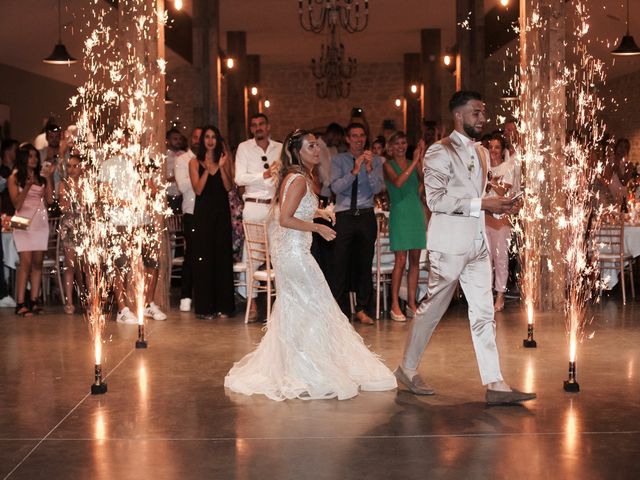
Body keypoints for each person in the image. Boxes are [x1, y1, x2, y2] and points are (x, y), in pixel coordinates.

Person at [224, 129, 397, 401]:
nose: (318, 150)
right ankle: (306, 368)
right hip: (294, 255)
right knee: (316, 305)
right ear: (297, 151)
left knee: (304, 308)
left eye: (318, 146)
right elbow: (285, 218)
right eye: (312, 146)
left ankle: (301, 363)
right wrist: (317, 226)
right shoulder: (298, 180)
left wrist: (319, 211)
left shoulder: (301, 177)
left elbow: (297, 209)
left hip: (294, 252)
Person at [395, 91, 536, 405]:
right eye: (476, 113)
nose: (482, 119)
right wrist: (483, 203)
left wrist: (499, 208)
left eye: (483, 112)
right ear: (458, 116)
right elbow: (436, 199)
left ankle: (495, 384)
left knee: (484, 314)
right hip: (448, 246)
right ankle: (406, 369)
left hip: (478, 244)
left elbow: (480, 194)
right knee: (431, 311)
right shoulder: (438, 151)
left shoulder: (484, 152)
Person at [329, 123, 384, 325]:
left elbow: (378, 188)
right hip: (344, 215)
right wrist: (355, 170)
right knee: (340, 263)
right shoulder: (338, 160)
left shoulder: (375, 161)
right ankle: (340, 309)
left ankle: (361, 308)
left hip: (365, 215)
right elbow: (336, 186)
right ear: (347, 139)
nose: (359, 139)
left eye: (362, 136)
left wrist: (369, 169)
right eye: (354, 136)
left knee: (364, 264)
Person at [234, 113, 282, 321]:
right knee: (251, 255)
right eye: (254, 125)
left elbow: (282, 176)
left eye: (261, 123)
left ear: (268, 126)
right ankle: (251, 303)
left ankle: (282, 303)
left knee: (280, 253)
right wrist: (262, 177)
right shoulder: (244, 148)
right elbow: (239, 178)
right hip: (253, 206)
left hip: (275, 207)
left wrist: (270, 180)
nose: (258, 127)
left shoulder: (279, 148)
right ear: (251, 129)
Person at [189, 125, 235, 318]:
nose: (210, 140)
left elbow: (228, 186)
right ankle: (205, 308)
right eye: (206, 137)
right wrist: (207, 169)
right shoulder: (194, 162)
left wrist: (221, 166)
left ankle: (224, 306)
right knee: (204, 258)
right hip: (203, 214)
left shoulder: (224, 159)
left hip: (221, 213)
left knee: (222, 257)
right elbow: (198, 190)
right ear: (202, 141)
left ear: (217, 140)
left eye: (213, 137)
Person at [383, 131, 426, 322]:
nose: (401, 146)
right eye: (397, 143)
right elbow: (399, 182)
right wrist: (415, 161)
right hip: (400, 213)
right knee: (400, 260)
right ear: (391, 147)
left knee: (415, 260)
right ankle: (394, 304)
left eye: (404, 142)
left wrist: (420, 159)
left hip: (415, 211)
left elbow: (424, 182)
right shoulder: (387, 165)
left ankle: (411, 303)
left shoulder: (413, 163)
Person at [8, 144, 54, 316]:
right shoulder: (14, 178)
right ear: (23, 158)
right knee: (25, 263)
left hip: (40, 223)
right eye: (30, 156)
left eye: (35, 156)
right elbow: (16, 204)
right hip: (21, 221)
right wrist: (27, 186)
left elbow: (49, 200)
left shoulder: (41, 177)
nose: (34, 159)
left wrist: (48, 178)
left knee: (37, 263)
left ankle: (34, 301)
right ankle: (20, 303)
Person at [485, 133, 516, 312]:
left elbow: (503, 191)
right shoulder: (485, 168)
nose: (493, 151)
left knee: (501, 259)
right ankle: (486, 294)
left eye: (497, 147)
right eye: (490, 147)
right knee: (486, 260)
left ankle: (500, 295)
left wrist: (490, 184)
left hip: (502, 220)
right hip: (486, 218)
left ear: (502, 149)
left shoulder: (507, 168)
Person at [174, 127, 201, 312]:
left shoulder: (209, 159)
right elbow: (183, 186)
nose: (199, 140)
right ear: (191, 139)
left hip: (208, 212)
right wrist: (197, 175)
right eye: (196, 137)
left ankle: (203, 295)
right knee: (191, 255)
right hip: (191, 211)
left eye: (202, 137)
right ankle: (185, 296)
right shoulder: (182, 160)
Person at [58, 154, 84, 314]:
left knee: (84, 266)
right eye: (69, 166)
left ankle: (85, 297)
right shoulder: (63, 184)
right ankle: (69, 301)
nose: (72, 169)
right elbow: (63, 206)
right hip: (69, 225)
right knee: (70, 264)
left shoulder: (85, 183)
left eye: (76, 166)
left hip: (84, 225)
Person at [165, 127, 184, 214]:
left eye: (180, 139)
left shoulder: (184, 155)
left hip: (183, 195)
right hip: (169, 194)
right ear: (168, 141)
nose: (178, 141)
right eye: (175, 139)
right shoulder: (164, 155)